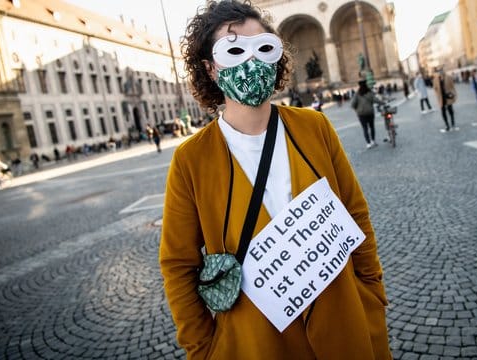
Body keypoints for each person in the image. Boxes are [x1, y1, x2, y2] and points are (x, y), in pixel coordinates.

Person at [159, 1, 391, 359]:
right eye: (234, 51)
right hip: (258, 343)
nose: (252, 62)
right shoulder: (191, 161)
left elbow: (354, 211)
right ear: (211, 68)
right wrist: (204, 349)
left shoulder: (314, 128)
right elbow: (178, 266)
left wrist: (371, 292)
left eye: (263, 48)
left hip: (345, 326)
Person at [351, 80, 381, 149]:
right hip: (370, 113)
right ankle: (373, 141)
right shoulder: (370, 92)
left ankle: (368, 143)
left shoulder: (357, 94)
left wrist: (357, 110)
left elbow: (353, 104)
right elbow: (376, 100)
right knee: (372, 127)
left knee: (365, 128)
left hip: (361, 114)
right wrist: (383, 102)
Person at [432, 67, 458, 132]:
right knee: (443, 112)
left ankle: (453, 123)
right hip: (441, 98)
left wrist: (453, 93)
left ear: (443, 71)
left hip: (448, 97)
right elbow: (435, 88)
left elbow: (452, 86)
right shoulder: (435, 79)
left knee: (450, 111)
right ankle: (447, 125)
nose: (440, 72)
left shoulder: (448, 77)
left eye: (441, 71)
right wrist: (438, 94)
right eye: (439, 71)